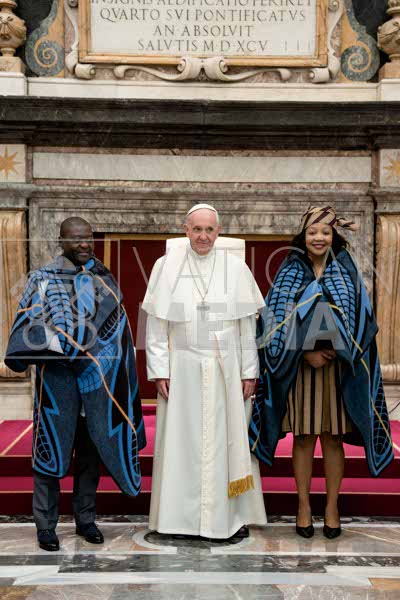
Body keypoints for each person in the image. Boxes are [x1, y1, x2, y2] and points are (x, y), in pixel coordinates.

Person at [249, 205, 393, 540]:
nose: (319, 238)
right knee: (302, 438)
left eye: (325, 232)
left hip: (337, 371)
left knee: (332, 438)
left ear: (333, 236)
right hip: (299, 370)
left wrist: (336, 349)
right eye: (313, 232)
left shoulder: (346, 269)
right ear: (303, 235)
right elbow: (273, 322)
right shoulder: (289, 271)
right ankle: (303, 506)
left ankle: (331, 507)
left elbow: (360, 319)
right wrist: (305, 352)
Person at [5, 217, 145, 551]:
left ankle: (86, 520)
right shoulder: (41, 279)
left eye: (88, 238)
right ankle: (46, 527)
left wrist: (104, 360)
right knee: (49, 456)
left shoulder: (104, 279)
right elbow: (27, 327)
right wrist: (61, 345)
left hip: (97, 386)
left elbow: (119, 332)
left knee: (89, 458)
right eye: (76, 239)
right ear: (62, 241)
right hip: (57, 385)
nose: (84, 244)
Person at [142, 203, 267, 540]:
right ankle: (177, 521)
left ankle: (227, 520)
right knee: (181, 445)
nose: (203, 236)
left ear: (218, 231)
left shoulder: (235, 267)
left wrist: (249, 371)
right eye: (197, 229)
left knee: (226, 444)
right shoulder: (165, 266)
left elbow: (246, 327)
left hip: (227, 368)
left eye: (209, 230)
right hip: (182, 368)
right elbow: (156, 326)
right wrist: (160, 370)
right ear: (186, 230)